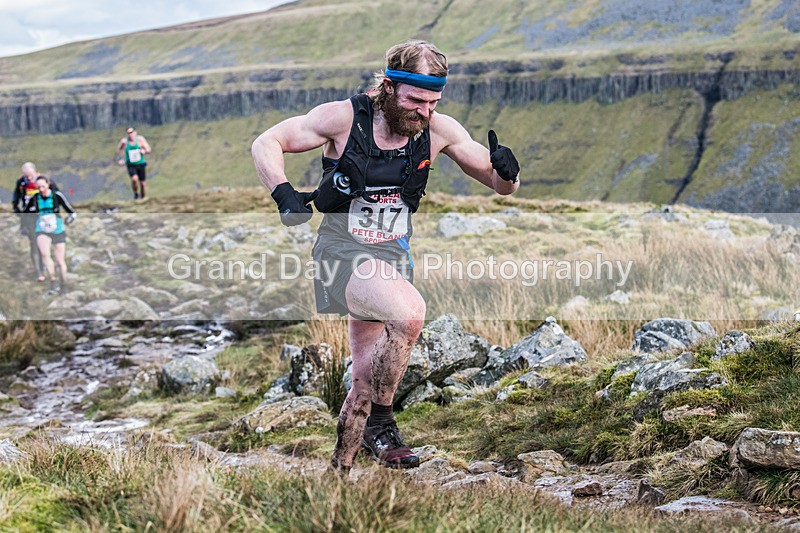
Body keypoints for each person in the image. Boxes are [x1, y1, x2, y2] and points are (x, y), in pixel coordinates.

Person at [251, 40, 520, 476]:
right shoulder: (344, 118)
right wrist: (283, 194)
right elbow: (268, 141)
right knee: (410, 314)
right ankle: (383, 423)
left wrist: (509, 173)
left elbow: (496, 180)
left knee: (363, 383)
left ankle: (336, 476)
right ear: (390, 86)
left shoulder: (438, 129)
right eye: (416, 101)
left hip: (392, 257)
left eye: (433, 102)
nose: (424, 113)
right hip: (342, 253)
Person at [22, 176, 76, 295]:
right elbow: (25, 213)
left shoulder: (57, 196)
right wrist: (26, 226)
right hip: (41, 229)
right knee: (45, 254)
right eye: (38, 187)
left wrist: (69, 219)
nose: (41, 189)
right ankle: (53, 281)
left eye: (43, 186)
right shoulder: (35, 198)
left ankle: (63, 284)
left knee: (60, 260)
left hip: (58, 230)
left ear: (48, 184)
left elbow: (71, 212)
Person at [12, 162, 47, 281]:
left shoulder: (43, 181)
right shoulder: (21, 183)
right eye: (26, 175)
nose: (28, 178)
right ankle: (39, 271)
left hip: (44, 215)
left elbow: (54, 194)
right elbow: (16, 197)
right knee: (34, 242)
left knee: (44, 241)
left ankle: (46, 265)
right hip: (29, 216)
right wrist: (16, 209)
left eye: (30, 175)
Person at [116, 126, 151, 199]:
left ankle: (143, 198)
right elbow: (119, 149)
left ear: (135, 133)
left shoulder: (140, 139)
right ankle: (135, 193)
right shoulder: (124, 142)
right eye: (128, 133)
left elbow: (148, 149)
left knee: (142, 183)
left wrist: (144, 151)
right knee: (134, 179)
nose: (130, 134)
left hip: (140, 163)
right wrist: (120, 159)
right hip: (131, 164)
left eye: (131, 132)